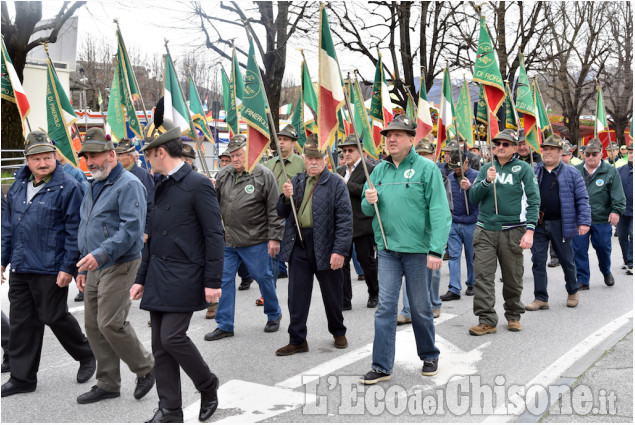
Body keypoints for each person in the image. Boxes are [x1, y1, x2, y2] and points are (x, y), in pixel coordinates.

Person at [130, 120, 224, 423]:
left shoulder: (197, 184)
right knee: (160, 347)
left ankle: (207, 385)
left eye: (148, 154)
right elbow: (154, 236)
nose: (146, 160)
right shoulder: (159, 183)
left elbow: (214, 235)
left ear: (160, 152)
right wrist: (141, 278)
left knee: (172, 338)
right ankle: (170, 409)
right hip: (158, 274)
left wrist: (213, 281)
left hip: (186, 274)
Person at [1, 131, 96, 398]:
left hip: (51, 267)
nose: (43, 163)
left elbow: (74, 230)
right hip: (21, 266)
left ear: (56, 157)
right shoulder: (18, 186)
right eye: (37, 159)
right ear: (27, 161)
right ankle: (22, 378)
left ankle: (86, 354)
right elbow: (8, 227)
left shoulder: (69, 187)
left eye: (48, 157)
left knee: (53, 316)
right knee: (21, 323)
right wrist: (2, 260)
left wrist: (69, 267)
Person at [358, 115, 451, 384]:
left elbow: (439, 211)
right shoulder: (378, 171)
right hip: (387, 250)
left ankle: (429, 354)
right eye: (388, 135)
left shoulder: (427, 169)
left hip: (418, 251)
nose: (392, 139)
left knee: (420, 308)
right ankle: (381, 365)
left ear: (412, 140)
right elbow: (367, 210)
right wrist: (368, 199)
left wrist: (436, 250)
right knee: (385, 307)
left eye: (399, 135)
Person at [75, 127, 155, 404]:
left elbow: (131, 229)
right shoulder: (94, 183)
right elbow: (86, 226)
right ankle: (108, 383)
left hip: (120, 261)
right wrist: (84, 264)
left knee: (110, 322)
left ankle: (146, 367)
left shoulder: (129, 183)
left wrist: (100, 254)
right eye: (87, 157)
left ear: (112, 155)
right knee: (93, 326)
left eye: (95, 155)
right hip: (95, 264)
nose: (91, 162)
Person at [275, 136, 352, 355]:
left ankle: (338, 331)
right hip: (299, 243)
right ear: (304, 159)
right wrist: (284, 197)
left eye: (317, 158)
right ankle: (298, 339)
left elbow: (345, 220)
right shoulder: (297, 180)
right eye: (309, 158)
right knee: (296, 295)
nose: (313, 162)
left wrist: (339, 251)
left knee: (332, 295)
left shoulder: (336, 183)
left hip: (327, 244)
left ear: (326, 159)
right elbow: (282, 212)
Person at [206, 135, 284, 341]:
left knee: (263, 277)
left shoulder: (263, 175)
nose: (235, 159)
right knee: (223, 280)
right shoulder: (223, 174)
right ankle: (224, 324)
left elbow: (275, 210)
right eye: (232, 155)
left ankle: (274, 314)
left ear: (249, 153)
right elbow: (214, 204)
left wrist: (275, 238)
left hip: (255, 240)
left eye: (239, 154)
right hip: (228, 240)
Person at [468, 129, 540, 336]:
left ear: (515, 148)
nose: (500, 147)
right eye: (497, 143)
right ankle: (486, 320)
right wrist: (486, 181)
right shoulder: (485, 168)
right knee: (482, 277)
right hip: (485, 231)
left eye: (506, 144)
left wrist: (530, 231)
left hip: (513, 231)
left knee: (512, 277)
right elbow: (473, 197)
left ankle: (514, 315)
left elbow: (534, 201)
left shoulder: (523, 169)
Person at [525, 134, 591, 311]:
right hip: (538, 223)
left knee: (567, 260)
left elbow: (582, 199)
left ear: (560, 152)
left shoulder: (572, 172)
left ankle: (572, 291)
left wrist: (584, 221)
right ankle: (540, 298)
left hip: (562, 224)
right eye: (545, 149)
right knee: (538, 261)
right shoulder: (535, 171)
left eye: (551, 149)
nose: (547, 152)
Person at [397, 137, 448, 324]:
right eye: (421, 154)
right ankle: (407, 310)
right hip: (413, 235)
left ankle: (434, 304)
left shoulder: (440, 177)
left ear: (433, 156)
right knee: (408, 273)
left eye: (427, 154)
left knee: (433, 273)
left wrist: (441, 238)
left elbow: (445, 208)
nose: (424, 158)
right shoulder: (406, 175)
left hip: (433, 233)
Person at [572, 138, 626, 289]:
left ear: (600, 155)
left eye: (594, 154)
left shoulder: (610, 171)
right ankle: (582, 279)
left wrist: (616, 211)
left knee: (603, 248)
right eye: (587, 154)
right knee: (579, 250)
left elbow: (618, 194)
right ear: (583, 155)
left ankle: (606, 271)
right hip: (580, 219)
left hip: (601, 218)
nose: (590, 157)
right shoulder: (575, 170)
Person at [336, 135, 378, 310]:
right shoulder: (339, 171)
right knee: (342, 263)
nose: (346, 153)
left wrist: (346, 184)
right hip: (343, 225)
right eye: (344, 150)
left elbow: (369, 192)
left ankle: (374, 293)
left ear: (360, 151)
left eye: (350, 150)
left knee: (366, 260)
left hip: (363, 224)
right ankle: (345, 299)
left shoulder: (370, 169)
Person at [264, 124, 306, 281]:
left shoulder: (301, 163)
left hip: (292, 213)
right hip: (272, 213)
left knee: (294, 253)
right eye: (279, 139)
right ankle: (270, 291)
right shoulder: (270, 163)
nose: (281, 142)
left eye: (286, 140)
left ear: (294, 143)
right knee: (272, 253)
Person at [440, 148, 479, 301]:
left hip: (471, 222)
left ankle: (472, 283)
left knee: (471, 255)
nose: (456, 170)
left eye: (458, 167)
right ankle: (454, 288)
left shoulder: (476, 176)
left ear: (466, 163)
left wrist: (470, 189)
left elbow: (481, 197)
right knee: (454, 256)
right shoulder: (449, 177)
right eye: (453, 167)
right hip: (454, 222)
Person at [115, 138, 154, 243]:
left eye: (120, 155)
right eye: (116, 155)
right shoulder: (115, 175)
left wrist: (146, 231)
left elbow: (151, 204)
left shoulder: (143, 175)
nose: (116, 158)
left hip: (138, 232)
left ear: (131, 157)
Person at [617, 144, 633, 275]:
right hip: (623, 209)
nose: (632, 154)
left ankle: (632, 262)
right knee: (622, 236)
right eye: (630, 152)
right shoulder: (621, 170)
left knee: (633, 235)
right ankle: (627, 259)